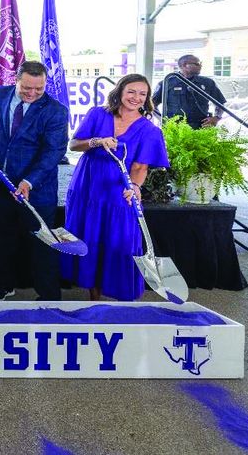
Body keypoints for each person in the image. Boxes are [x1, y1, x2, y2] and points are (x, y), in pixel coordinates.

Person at [63, 73, 169, 301]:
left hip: (119, 191)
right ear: (120, 91)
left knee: (117, 239)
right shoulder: (97, 114)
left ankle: (119, 296)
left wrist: (136, 187)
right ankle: (93, 297)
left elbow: (140, 167)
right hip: (87, 186)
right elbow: (73, 145)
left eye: (143, 94)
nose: (136, 97)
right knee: (89, 236)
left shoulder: (150, 131)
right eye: (131, 91)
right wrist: (96, 142)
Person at [0, 60, 69, 301]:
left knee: (42, 245)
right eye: (27, 88)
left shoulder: (56, 110)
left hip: (36, 190)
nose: (32, 94)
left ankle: (49, 296)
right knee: (1, 240)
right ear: (16, 80)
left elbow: (54, 152)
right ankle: (3, 285)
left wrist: (29, 181)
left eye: (39, 89)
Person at [151, 55, 226, 129]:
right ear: (184, 65)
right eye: (197, 64)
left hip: (202, 127)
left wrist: (216, 118)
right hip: (175, 129)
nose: (200, 66)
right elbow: (152, 104)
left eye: (200, 64)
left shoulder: (208, 82)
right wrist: (162, 119)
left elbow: (220, 103)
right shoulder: (167, 82)